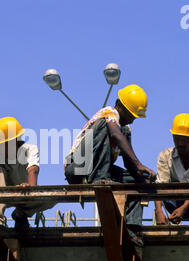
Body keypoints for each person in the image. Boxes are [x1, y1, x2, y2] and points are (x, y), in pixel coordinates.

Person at [64, 84, 156, 244]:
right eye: (132, 115)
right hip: (78, 167)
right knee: (105, 126)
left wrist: (141, 176)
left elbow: (129, 162)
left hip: (102, 169)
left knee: (137, 182)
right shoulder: (108, 113)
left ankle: (132, 227)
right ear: (121, 107)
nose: (133, 120)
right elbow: (114, 133)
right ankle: (99, 178)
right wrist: (139, 164)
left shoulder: (124, 128)